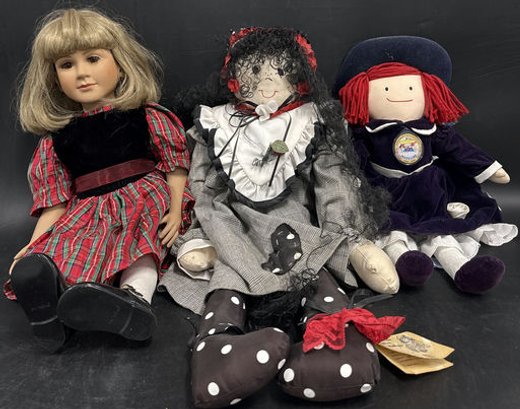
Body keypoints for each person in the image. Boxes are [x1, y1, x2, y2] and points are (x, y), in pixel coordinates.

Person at [160, 27, 403, 408]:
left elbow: (333, 183)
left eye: (281, 71)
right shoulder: (216, 122)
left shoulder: (311, 121)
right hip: (229, 223)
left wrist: (347, 238)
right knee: (228, 275)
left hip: (294, 224)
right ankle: (217, 347)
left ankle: (333, 339)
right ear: (233, 78)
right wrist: (195, 235)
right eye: (254, 71)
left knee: (311, 265)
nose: (267, 82)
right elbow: (200, 186)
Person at [5, 8, 193, 352]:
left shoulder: (145, 115)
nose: (82, 73)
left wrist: (178, 207)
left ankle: (134, 301)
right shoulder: (56, 140)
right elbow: (55, 203)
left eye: (93, 59)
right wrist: (34, 244)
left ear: (119, 63)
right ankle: (57, 308)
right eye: (67, 65)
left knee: (140, 247)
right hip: (89, 209)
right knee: (67, 247)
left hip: (142, 195)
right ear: (54, 77)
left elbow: (175, 164)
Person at [333, 36, 517, 293]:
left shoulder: (431, 129)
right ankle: (406, 263)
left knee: (441, 234)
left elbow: (458, 148)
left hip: (429, 190)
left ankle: (464, 270)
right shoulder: (367, 133)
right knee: (393, 232)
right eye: (386, 90)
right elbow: (355, 157)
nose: (400, 96)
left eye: (411, 88)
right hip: (386, 194)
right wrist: (351, 179)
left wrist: (490, 168)